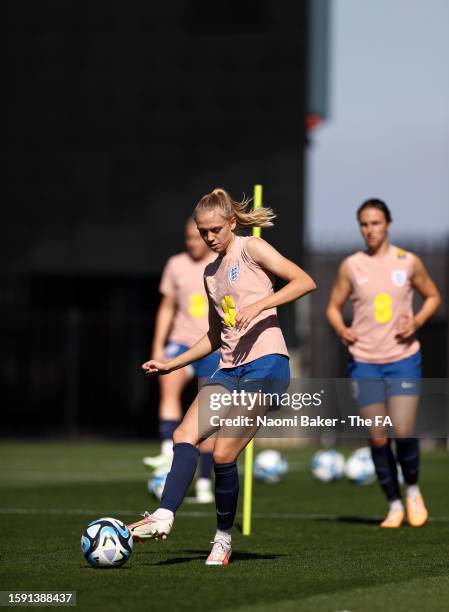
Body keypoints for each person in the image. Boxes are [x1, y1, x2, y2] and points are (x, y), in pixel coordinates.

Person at [129, 188, 316, 565]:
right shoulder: (210, 273)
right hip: (229, 368)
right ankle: (164, 515)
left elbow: (304, 282)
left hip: (267, 364)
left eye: (214, 229)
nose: (209, 238)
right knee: (185, 436)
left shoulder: (251, 249)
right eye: (203, 232)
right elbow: (216, 336)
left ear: (231, 222)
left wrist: (262, 303)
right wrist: (172, 363)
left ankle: (222, 539)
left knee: (223, 453)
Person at [327, 199, 441, 528]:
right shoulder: (351, 265)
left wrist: (416, 321)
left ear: (388, 223)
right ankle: (393, 504)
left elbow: (433, 296)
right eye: (364, 223)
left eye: (375, 222)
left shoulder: (408, 262)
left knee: (404, 432)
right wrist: (341, 328)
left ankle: (413, 490)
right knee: (378, 438)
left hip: (403, 358)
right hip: (364, 361)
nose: (370, 229)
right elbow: (333, 307)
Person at [143, 219, 219, 503]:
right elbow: (166, 307)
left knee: (208, 415)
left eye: (198, 236)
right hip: (181, 341)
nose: (193, 242)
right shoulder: (176, 264)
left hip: (212, 346)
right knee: (169, 383)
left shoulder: (221, 263)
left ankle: (202, 483)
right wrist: (158, 346)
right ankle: (166, 450)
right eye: (189, 237)